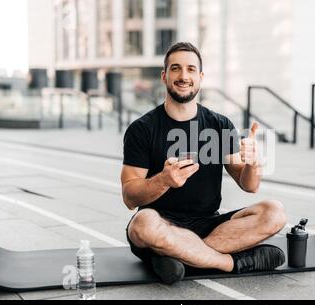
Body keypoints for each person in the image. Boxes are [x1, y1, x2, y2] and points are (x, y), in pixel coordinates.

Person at [122, 42, 287, 285]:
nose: (183, 76)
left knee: (275, 213)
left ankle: (176, 257)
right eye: (176, 68)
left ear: (200, 77)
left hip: (209, 225)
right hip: (161, 223)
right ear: (164, 76)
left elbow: (249, 186)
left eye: (190, 69)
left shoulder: (220, 125)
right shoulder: (142, 129)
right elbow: (129, 196)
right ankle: (230, 263)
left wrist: (253, 163)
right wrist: (163, 180)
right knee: (142, 225)